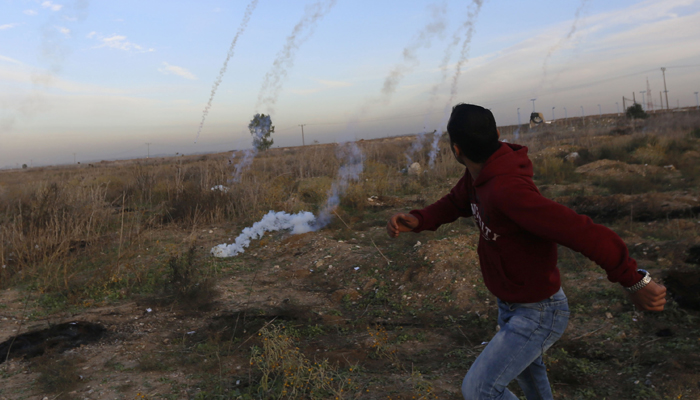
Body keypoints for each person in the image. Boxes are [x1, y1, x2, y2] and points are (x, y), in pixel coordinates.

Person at [386, 104, 666, 400]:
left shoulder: (508, 191)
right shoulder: (477, 176)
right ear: (496, 134)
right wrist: (419, 219)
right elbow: (456, 201)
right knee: (530, 377)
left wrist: (634, 280)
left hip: (539, 311)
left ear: (456, 150)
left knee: (479, 389)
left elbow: (581, 232)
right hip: (512, 303)